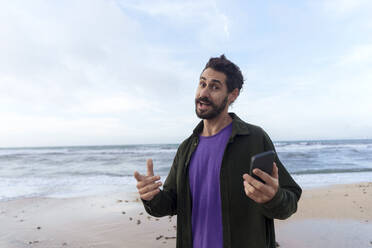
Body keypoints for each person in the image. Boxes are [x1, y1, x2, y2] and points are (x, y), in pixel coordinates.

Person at [134, 55, 302, 248]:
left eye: (214, 87)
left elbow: (289, 201)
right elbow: (171, 203)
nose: (204, 93)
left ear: (233, 95)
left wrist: (274, 197)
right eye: (202, 84)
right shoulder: (186, 148)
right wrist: (152, 197)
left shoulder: (254, 138)